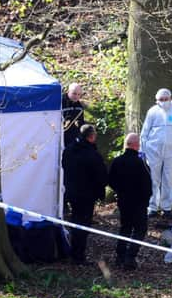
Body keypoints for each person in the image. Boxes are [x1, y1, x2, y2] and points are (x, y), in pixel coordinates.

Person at [62, 124, 108, 264]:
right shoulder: (92, 155)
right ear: (92, 136)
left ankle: (74, 251)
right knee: (83, 224)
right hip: (87, 195)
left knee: (75, 220)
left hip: (72, 192)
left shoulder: (68, 151)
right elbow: (101, 176)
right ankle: (78, 256)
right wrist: (100, 192)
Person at [140, 88, 172, 219]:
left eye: (166, 99)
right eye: (161, 100)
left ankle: (166, 207)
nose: (164, 102)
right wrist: (142, 149)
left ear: (170, 98)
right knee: (154, 179)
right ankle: (153, 206)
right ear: (157, 101)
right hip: (153, 150)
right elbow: (144, 132)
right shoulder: (152, 112)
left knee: (168, 179)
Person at [108, 133, 153, 270]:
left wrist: (120, 191)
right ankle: (130, 256)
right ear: (135, 145)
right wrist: (146, 199)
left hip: (124, 200)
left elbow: (110, 180)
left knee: (125, 227)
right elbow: (147, 184)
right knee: (140, 229)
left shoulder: (117, 161)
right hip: (138, 202)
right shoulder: (141, 163)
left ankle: (120, 255)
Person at [62, 83, 86, 148]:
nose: (76, 96)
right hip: (61, 136)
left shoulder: (79, 106)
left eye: (79, 94)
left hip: (73, 137)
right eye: (74, 93)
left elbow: (81, 122)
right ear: (68, 92)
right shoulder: (60, 103)